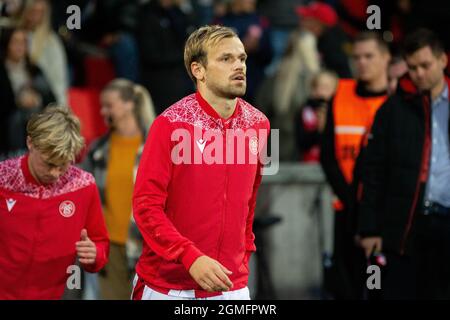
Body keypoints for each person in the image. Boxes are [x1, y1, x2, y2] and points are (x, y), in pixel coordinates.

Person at [131, 25, 270, 300]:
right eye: (226, 59)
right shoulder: (168, 124)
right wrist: (189, 256)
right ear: (198, 70)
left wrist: (242, 259)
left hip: (231, 285)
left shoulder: (261, 125)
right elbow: (145, 206)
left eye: (241, 58)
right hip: (166, 286)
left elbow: (249, 202)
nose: (239, 65)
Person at [358, 28, 450, 299]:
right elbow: (373, 170)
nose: (419, 73)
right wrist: (369, 228)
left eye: (425, 65)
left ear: (443, 60)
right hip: (407, 226)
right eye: (412, 67)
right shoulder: (393, 110)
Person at [0, 106, 109, 299]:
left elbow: (99, 243)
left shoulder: (83, 185)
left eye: (64, 165)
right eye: (49, 163)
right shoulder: (3, 178)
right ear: (30, 143)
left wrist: (95, 255)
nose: (55, 173)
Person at [320, 31, 390, 299]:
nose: (361, 62)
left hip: (383, 213)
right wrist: (353, 201)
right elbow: (328, 156)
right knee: (346, 288)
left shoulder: (397, 103)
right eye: (357, 57)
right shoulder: (340, 94)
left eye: (369, 56)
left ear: (385, 59)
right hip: (346, 209)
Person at [83, 79, 156, 300]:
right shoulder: (98, 150)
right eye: (102, 105)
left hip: (146, 246)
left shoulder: (155, 147)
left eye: (109, 105)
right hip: (109, 247)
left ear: (128, 105)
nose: (103, 111)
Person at [0, 27, 55, 156]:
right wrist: (18, 101)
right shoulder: (1, 70)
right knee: (19, 118)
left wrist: (37, 99)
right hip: (8, 123)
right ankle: (17, 157)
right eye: (15, 42)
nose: (20, 46)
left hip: (36, 118)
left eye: (23, 42)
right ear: (6, 44)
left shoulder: (34, 69)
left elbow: (52, 99)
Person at [20, 0, 69, 105]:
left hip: (44, 98)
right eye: (32, 10)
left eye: (39, 12)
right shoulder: (15, 36)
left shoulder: (52, 42)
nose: (35, 15)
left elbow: (58, 80)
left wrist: (61, 107)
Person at [295, 70, 338, 162]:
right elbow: (301, 142)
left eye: (326, 87)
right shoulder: (305, 112)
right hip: (309, 163)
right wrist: (318, 130)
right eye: (318, 86)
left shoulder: (339, 111)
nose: (321, 91)